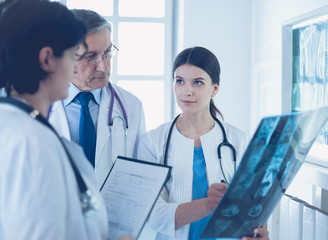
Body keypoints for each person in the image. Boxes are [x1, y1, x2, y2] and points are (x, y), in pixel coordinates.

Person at [0, 0, 109, 239]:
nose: (73, 69)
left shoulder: (15, 124)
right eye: (73, 56)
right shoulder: (30, 142)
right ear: (47, 59)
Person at [137, 47, 269, 240]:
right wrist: (209, 204)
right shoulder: (152, 142)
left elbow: (257, 201)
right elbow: (153, 213)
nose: (186, 91)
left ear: (214, 89)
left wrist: (260, 232)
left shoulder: (239, 140)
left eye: (197, 82)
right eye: (179, 81)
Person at [48, 9, 146, 187]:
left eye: (108, 52)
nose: (104, 66)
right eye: (91, 56)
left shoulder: (131, 106)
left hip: (113, 214)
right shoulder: (40, 106)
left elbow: (140, 177)